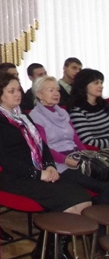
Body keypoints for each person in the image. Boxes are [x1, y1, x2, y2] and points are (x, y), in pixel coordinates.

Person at [0, 72, 91, 214]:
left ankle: (61, 228)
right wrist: (37, 174)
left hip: (37, 170)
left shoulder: (21, 115)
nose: (18, 94)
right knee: (69, 201)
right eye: (11, 91)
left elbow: (42, 144)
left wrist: (50, 165)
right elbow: (0, 158)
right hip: (14, 176)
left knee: (83, 196)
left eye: (18, 90)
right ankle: (56, 228)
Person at [30, 75, 109, 204]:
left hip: (77, 157)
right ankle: (95, 214)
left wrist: (87, 156)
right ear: (39, 94)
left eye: (57, 90)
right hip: (58, 163)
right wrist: (66, 160)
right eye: (51, 90)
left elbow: (76, 139)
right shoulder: (35, 117)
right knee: (104, 186)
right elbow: (43, 148)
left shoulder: (62, 112)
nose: (56, 93)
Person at [69, 68, 109, 148]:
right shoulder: (77, 111)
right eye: (96, 83)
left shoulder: (103, 105)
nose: (101, 86)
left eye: (101, 83)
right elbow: (88, 142)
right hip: (99, 152)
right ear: (84, 85)